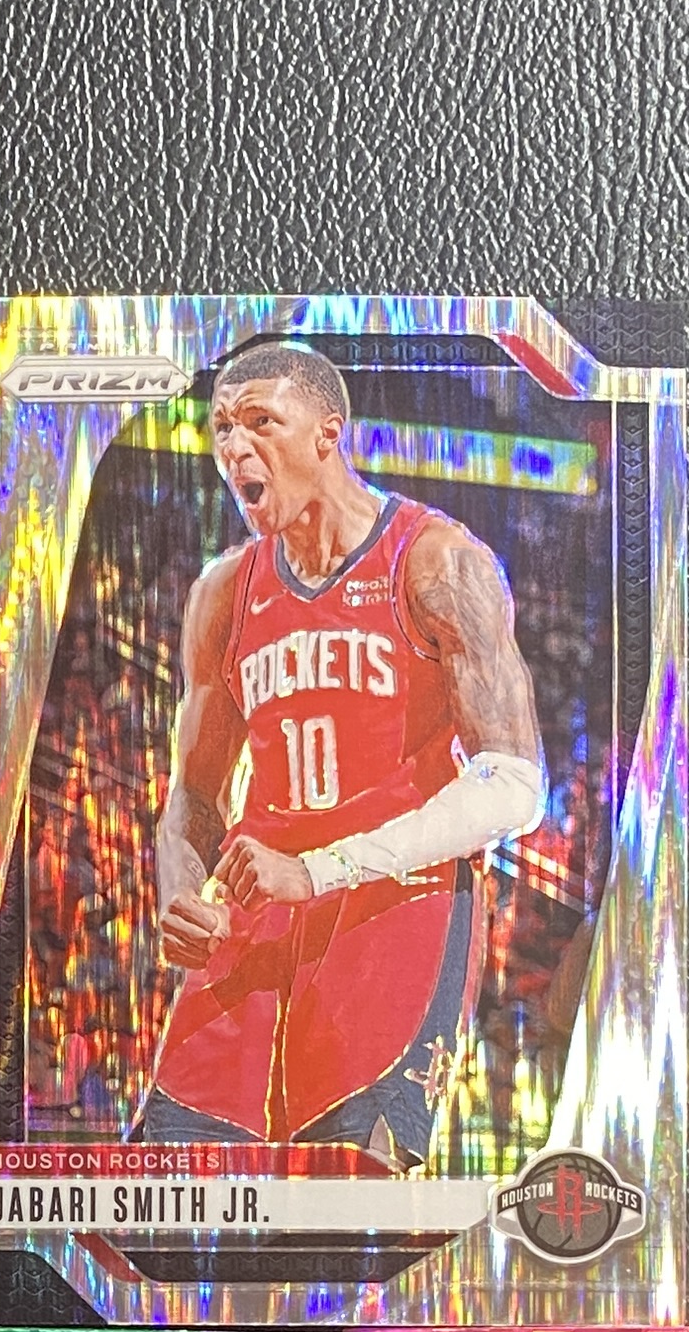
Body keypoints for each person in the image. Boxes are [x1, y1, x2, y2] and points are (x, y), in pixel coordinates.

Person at [139, 338, 548, 1162]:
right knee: (177, 1177)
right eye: (222, 429)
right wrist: (180, 894)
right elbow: (193, 794)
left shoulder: (437, 562)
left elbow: (514, 784)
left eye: (261, 422)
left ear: (329, 433)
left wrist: (322, 868)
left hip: (397, 900)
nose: (235, 447)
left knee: (342, 1186)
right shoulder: (224, 591)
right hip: (261, 896)